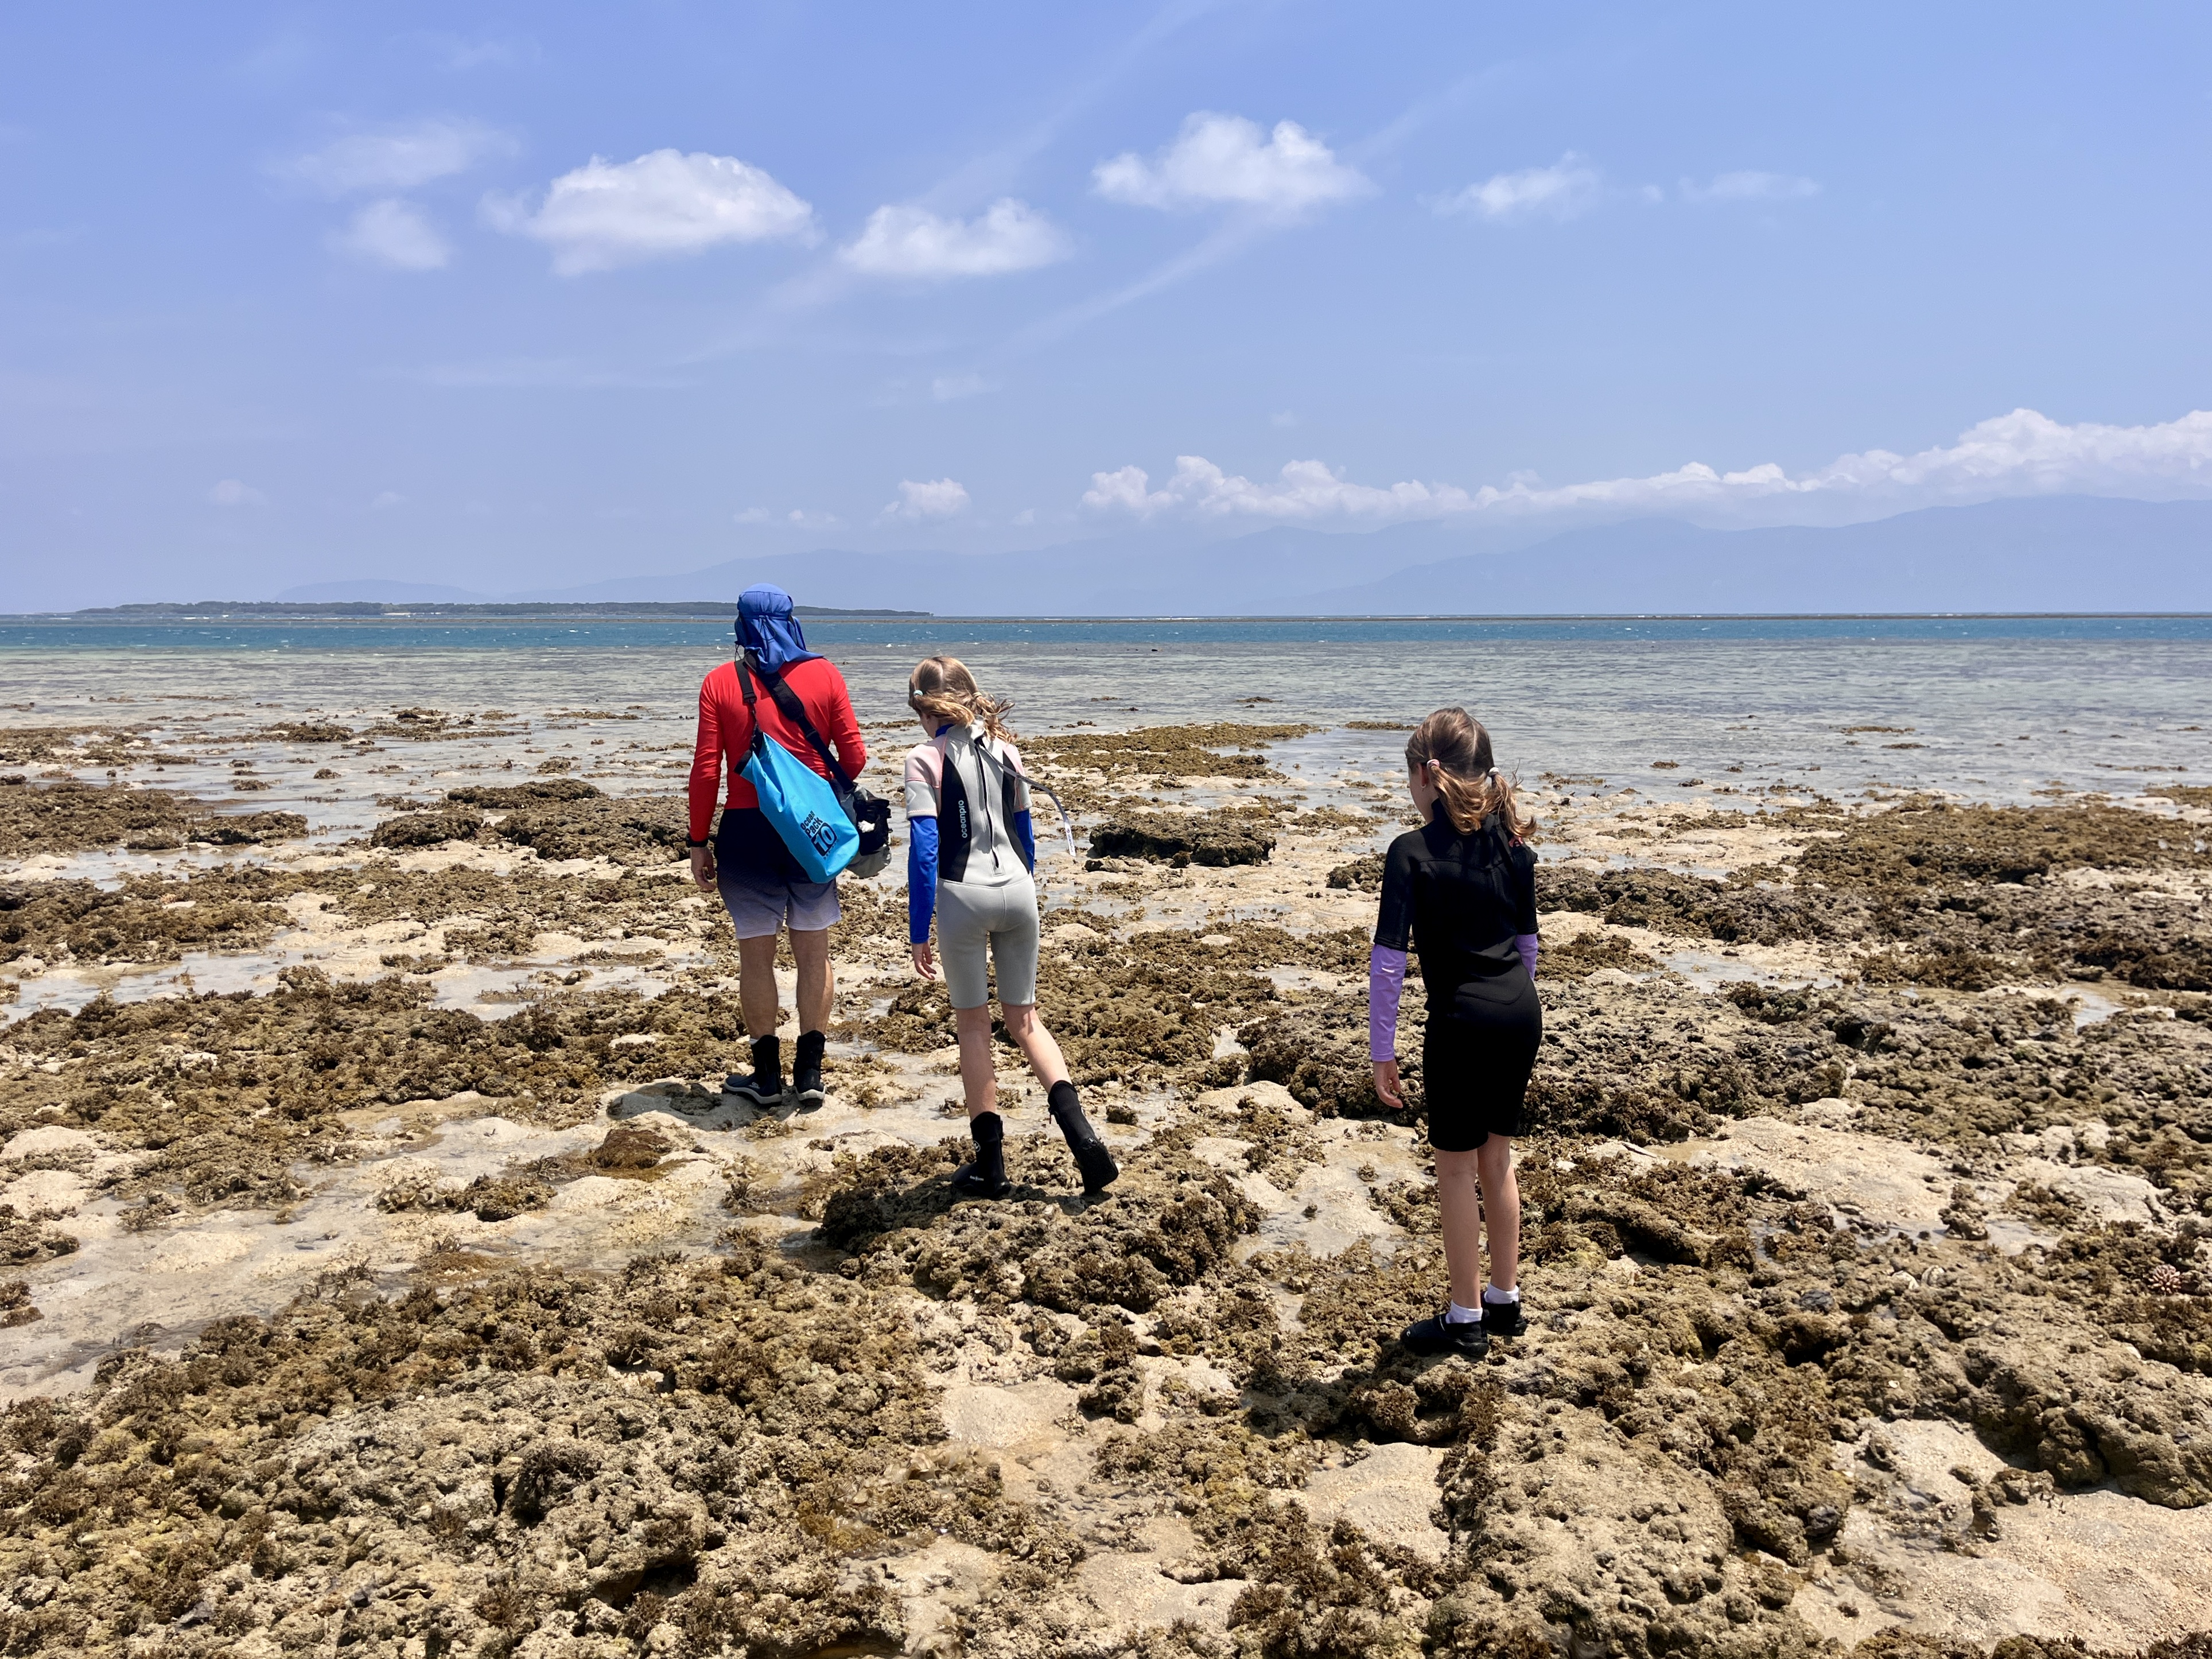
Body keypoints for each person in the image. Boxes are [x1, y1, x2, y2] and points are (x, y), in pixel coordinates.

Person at [902, 656, 1117, 1198]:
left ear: (926, 709)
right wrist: (1022, 887)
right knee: (1026, 1021)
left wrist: (918, 928)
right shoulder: (1007, 751)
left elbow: (926, 852)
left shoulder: (923, 759)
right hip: (1019, 891)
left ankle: (989, 1166)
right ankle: (1086, 1143)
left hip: (962, 895)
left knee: (974, 1027)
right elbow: (1026, 834)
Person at [1369, 708, 1542, 1358]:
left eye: (1407, 776)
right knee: (1498, 1159)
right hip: (1519, 1014)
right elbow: (1527, 945)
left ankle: (1465, 1315)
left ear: (1426, 774)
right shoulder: (1514, 847)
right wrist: (1509, 1001)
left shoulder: (1410, 852)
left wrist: (1382, 1049)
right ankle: (1506, 1298)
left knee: (1454, 1169)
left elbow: (1389, 961)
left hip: (1462, 1022)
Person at [687, 585, 866, 1109]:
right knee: (814, 949)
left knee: (755, 954)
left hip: (745, 830)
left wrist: (699, 841)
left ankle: (765, 1078)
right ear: (792, 623)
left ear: (741, 627)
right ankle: (809, 1074)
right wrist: (818, 795)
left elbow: (706, 771)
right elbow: (852, 754)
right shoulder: (825, 674)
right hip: (809, 830)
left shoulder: (720, 681)